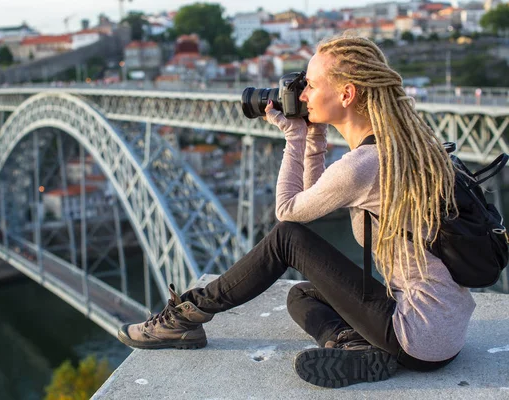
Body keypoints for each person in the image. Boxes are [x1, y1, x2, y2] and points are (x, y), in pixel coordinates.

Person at [117, 33, 476, 388]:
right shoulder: (402, 146)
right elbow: (315, 198)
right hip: (446, 327)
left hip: (418, 337)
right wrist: (315, 138)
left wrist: (294, 138)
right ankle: (355, 346)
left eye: (311, 86)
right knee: (301, 295)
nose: (302, 96)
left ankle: (185, 315)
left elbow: (289, 212)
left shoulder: (361, 167)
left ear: (347, 94)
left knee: (288, 238)